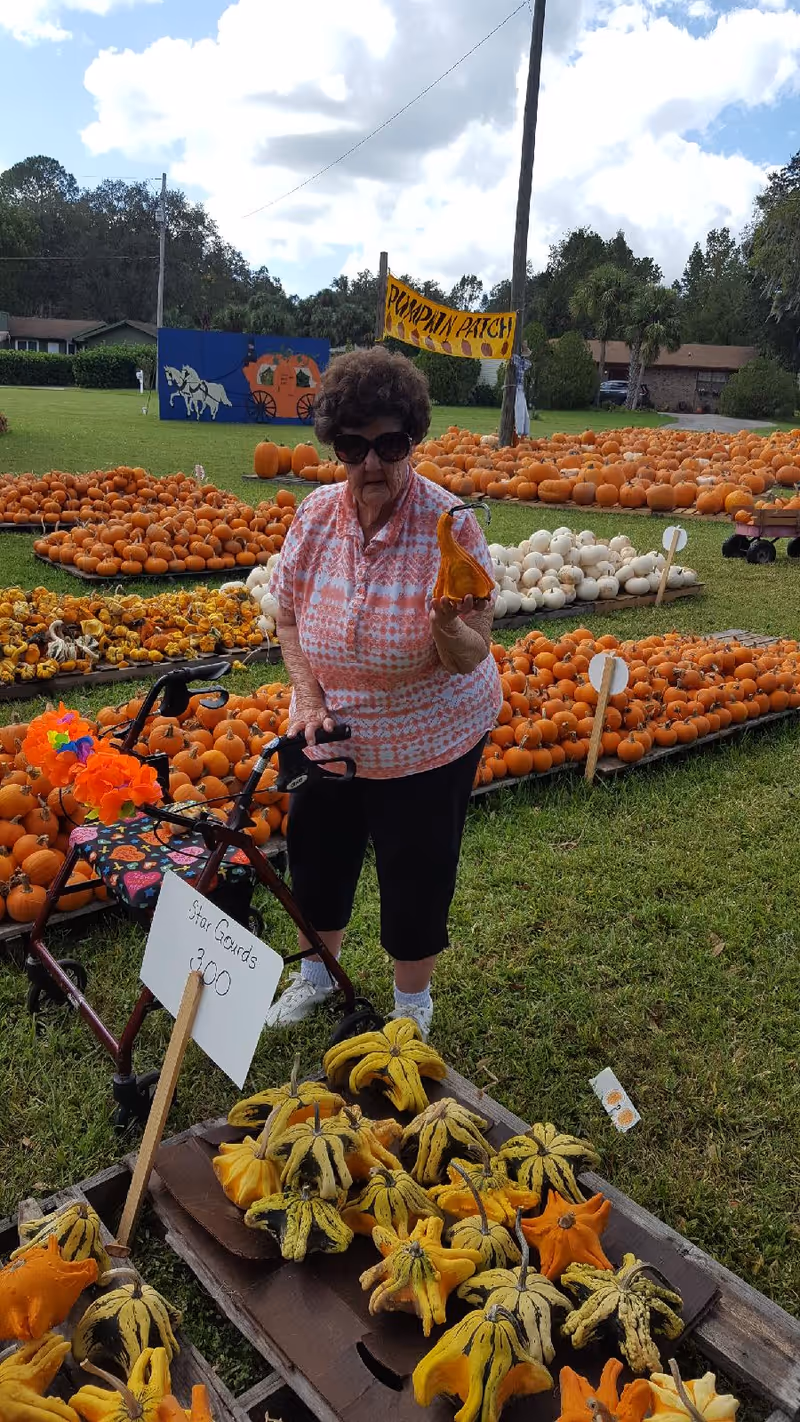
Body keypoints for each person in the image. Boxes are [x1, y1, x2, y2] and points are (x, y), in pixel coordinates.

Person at [266, 346, 502, 1038]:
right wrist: (308, 703)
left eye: (390, 443)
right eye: (354, 446)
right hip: (326, 726)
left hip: (427, 732)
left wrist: (444, 627)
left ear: (413, 439)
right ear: (336, 448)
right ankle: (316, 978)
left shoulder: (451, 526)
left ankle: (410, 1007)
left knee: (415, 868)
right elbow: (287, 614)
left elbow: (471, 655)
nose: (372, 463)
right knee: (316, 854)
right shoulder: (313, 516)